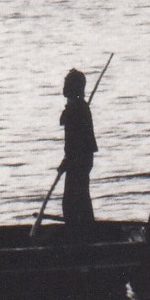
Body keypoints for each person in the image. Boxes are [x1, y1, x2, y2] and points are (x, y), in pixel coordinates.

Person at [58, 68, 98, 230]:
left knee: (72, 201)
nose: (64, 87)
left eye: (67, 83)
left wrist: (68, 161)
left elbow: (78, 142)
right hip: (78, 159)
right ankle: (83, 231)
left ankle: (80, 234)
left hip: (79, 160)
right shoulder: (76, 107)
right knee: (78, 200)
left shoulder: (78, 108)